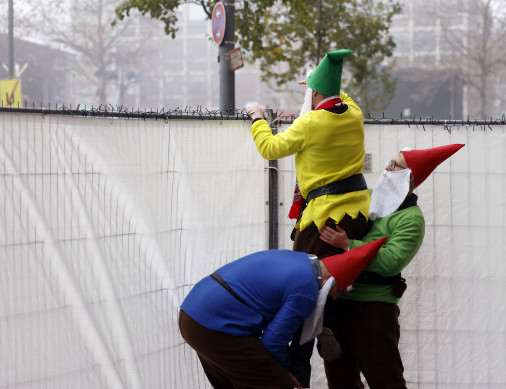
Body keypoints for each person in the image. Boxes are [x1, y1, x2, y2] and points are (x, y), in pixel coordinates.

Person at [318, 144, 465, 389]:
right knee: (340, 380)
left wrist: (348, 244)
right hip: (338, 301)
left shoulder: (411, 219)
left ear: (410, 177)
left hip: (374, 308)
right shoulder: (367, 198)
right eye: (390, 161)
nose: (387, 168)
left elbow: (390, 261)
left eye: (395, 165)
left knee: (385, 380)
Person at [178, 237, 387, 389]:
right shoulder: (306, 289)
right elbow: (272, 341)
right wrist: (286, 373)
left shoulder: (300, 260)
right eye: (338, 290)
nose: (334, 297)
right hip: (214, 325)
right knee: (278, 384)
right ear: (328, 280)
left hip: (193, 314)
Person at [247, 49, 370, 258]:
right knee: (347, 274)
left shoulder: (309, 123)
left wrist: (257, 118)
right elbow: (341, 96)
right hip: (358, 214)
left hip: (324, 219)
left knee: (306, 273)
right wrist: (318, 82)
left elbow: (269, 148)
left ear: (313, 93)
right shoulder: (355, 113)